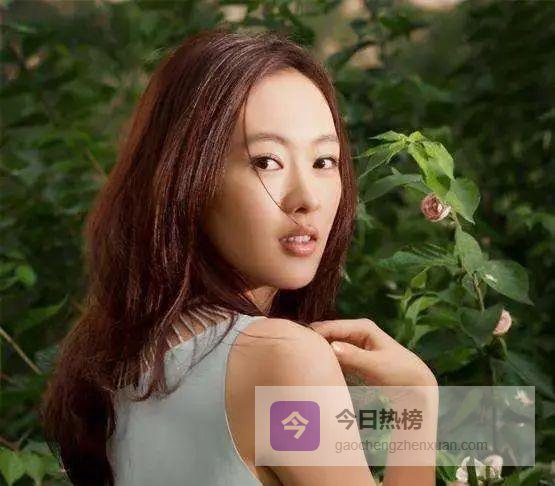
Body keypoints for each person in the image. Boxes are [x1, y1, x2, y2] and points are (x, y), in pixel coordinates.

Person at [40, 28, 438, 486]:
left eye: (324, 161)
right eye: (266, 161)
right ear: (188, 179)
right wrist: (417, 403)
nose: (306, 198)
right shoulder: (280, 359)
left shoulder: (129, 362)